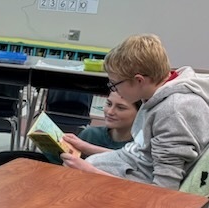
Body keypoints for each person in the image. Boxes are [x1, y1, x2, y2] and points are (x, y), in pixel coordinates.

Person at [61, 34, 209, 190]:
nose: (114, 90)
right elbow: (142, 155)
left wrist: (89, 171)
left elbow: (164, 190)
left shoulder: (172, 112)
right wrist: (86, 147)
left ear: (139, 80)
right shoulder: (161, 92)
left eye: (115, 84)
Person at [0, 91, 141, 169]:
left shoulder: (141, 147)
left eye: (120, 108)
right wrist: (53, 144)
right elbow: (58, 163)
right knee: (5, 159)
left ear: (140, 114)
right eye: (108, 104)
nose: (110, 111)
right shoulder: (91, 134)